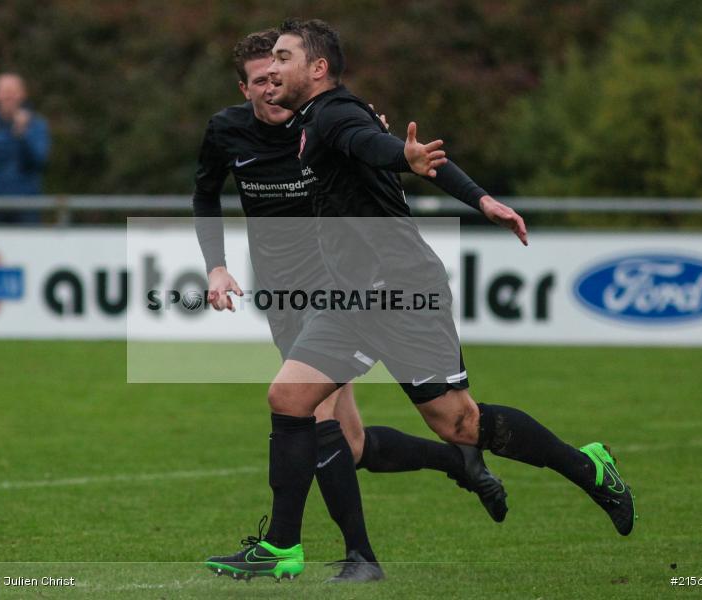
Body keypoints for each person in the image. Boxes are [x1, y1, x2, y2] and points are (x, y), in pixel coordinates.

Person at [206, 18, 636, 582]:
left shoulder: (335, 116)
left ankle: (589, 467)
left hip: (402, 292)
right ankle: (282, 546)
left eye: (284, 58)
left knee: (459, 424)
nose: (273, 70)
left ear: (318, 68)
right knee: (289, 397)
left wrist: (458, 188)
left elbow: (379, 147)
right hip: (350, 299)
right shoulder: (313, 120)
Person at [199, 30, 506, 583]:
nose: (271, 85)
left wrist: (384, 141)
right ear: (243, 88)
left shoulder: (319, 123)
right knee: (352, 444)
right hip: (281, 293)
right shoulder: (226, 130)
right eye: (260, 80)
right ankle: (456, 459)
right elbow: (204, 194)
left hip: (336, 285)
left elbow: (373, 150)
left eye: (278, 73)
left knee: (311, 416)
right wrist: (215, 266)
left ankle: (353, 556)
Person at [0, 72, 49, 223]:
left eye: (13, 92)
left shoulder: (36, 125)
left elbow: (39, 162)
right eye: (4, 91)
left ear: (23, 94)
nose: (8, 96)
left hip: (27, 206)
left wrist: (22, 135)